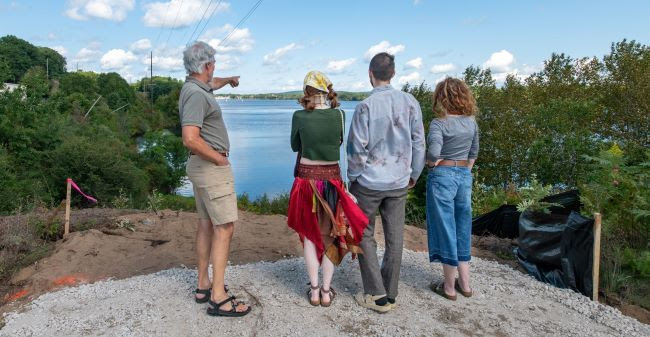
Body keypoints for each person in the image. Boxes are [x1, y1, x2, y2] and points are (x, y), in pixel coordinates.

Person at [347, 52, 426, 312]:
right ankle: (390, 292)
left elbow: (357, 149)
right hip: (399, 181)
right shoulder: (411, 102)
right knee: (395, 236)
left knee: (364, 233)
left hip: (369, 182)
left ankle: (376, 294)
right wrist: (414, 172)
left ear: (370, 74)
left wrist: (353, 178)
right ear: (392, 74)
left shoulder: (365, 106)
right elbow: (418, 142)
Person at [179, 41, 251, 317]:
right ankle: (219, 298)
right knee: (225, 227)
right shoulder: (197, 95)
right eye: (214, 65)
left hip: (201, 167)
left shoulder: (195, 86)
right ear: (206, 65)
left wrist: (229, 80)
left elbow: (213, 83)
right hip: (210, 166)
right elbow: (190, 139)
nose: (215, 69)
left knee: (206, 223)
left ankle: (203, 285)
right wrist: (220, 158)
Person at [287, 70, 369, 307]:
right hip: (332, 182)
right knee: (332, 234)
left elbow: (295, 146)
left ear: (307, 92)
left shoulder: (299, 116)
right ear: (326, 90)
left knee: (310, 236)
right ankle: (325, 291)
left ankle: (313, 291)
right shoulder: (340, 116)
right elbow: (339, 142)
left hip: (305, 182)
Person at [425, 77, 479, 301]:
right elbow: (474, 152)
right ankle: (465, 284)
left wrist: (431, 162)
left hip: (443, 176)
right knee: (462, 227)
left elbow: (434, 151)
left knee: (446, 227)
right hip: (464, 176)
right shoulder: (471, 122)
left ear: (442, 98)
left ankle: (448, 286)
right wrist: (463, 169)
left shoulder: (439, 123)